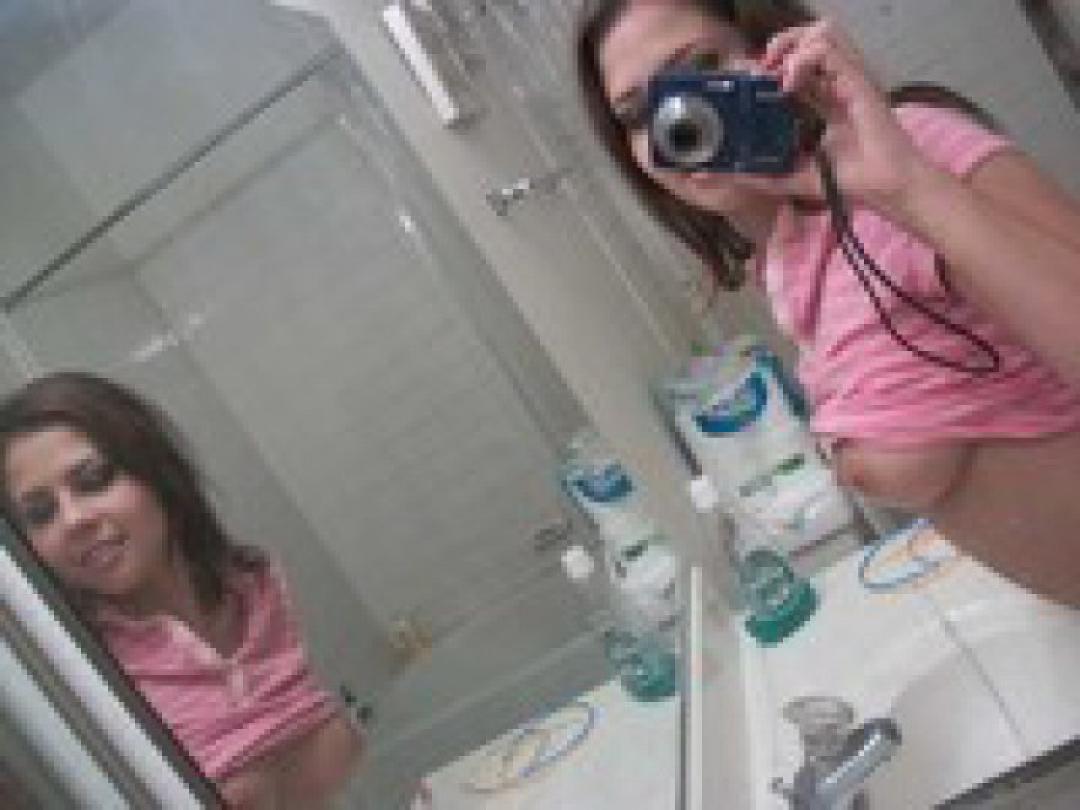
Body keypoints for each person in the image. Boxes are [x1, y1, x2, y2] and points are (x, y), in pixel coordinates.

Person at [575, 0, 1080, 605]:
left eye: (701, 67)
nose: (678, 118)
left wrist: (909, 189)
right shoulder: (785, 262)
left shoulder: (911, 147)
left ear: (773, 49)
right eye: (638, 114)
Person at [0, 372, 363, 808]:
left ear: (155, 470)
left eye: (94, 479)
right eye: (41, 513)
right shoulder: (75, 683)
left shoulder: (254, 588)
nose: (74, 519)